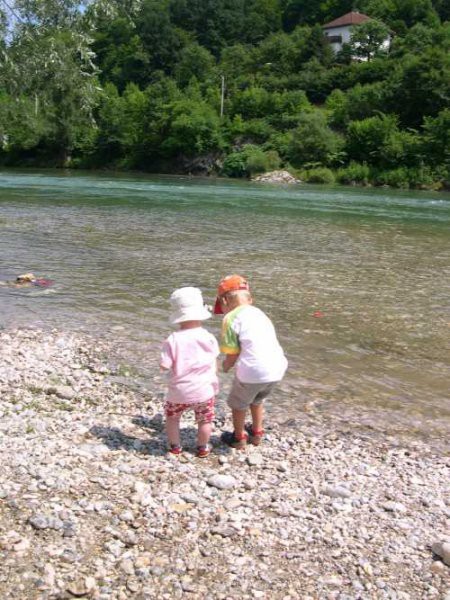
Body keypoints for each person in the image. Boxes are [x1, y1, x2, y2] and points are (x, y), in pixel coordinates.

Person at [214, 275, 288, 449]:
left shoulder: (231, 318)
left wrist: (223, 366)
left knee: (238, 405)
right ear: (250, 299)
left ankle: (238, 438)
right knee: (256, 400)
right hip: (277, 368)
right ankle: (257, 432)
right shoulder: (259, 313)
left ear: (224, 300)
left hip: (254, 371)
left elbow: (232, 353)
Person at [160, 287, 219, 458]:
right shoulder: (208, 336)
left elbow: (165, 365)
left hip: (179, 391)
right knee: (205, 420)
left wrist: (165, 365)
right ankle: (202, 447)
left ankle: (175, 447)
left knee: (172, 418)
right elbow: (215, 358)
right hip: (204, 390)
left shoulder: (173, 339)